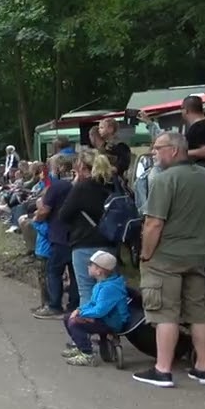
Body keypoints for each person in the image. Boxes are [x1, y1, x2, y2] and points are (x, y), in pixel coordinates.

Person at [133, 131, 205, 388]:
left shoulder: (165, 179)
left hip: (167, 257)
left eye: (157, 148)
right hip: (197, 254)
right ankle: (203, 368)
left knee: (165, 312)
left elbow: (154, 223)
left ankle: (163, 370)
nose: (153, 152)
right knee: (198, 312)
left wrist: (146, 254)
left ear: (173, 150)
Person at [57, 149, 116, 305]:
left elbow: (63, 215)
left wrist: (75, 184)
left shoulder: (82, 187)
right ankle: (109, 326)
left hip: (85, 243)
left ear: (83, 168)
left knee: (87, 293)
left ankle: (88, 326)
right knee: (107, 291)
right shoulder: (112, 185)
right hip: (110, 243)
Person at [62, 250, 130, 367]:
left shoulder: (109, 289)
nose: (88, 267)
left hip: (112, 322)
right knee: (67, 317)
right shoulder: (101, 284)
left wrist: (82, 313)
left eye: (91, 265)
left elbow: (99, 310)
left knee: (74, 322)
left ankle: (87, 354)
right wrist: (79, 309)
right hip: (105, 318)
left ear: (99, 271)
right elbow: (93, 303)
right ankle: (80, 346)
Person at [33, 155, 78, 319]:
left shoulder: (57, 187)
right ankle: (74, 305)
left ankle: (54, 305)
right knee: (74, 273)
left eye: (51, 165)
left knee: (53, 271)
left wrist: (36, 218)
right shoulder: (76, 185)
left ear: (58, 168)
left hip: (59, 235)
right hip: (76, 234)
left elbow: (45, 209)